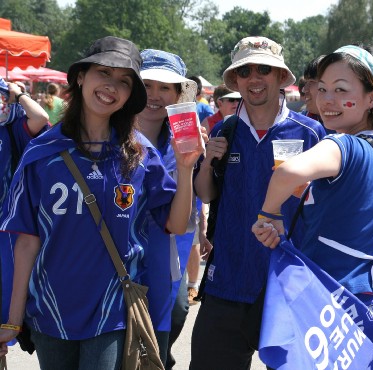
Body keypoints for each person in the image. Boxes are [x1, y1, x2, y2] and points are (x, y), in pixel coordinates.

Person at [0, 36, 203, 369]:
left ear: (129, 97)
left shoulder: (140, 156)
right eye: (103, 72)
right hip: (50, 310)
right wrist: (12, 317)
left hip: (112, 311)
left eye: (124, 81)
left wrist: (185, 168)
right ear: (81, 76)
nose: (112, 86)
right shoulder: (41, 155)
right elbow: (26, 242)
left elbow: (177, 225)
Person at [252, 43, 373, 369]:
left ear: (371, 97)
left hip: (328, 302)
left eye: (341, 90)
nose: (327, 100)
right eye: (321, 89)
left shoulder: (341, 144)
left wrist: (268, 214)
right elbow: (358, 211)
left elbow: (287, 173)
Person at [191, 36, 326, 369]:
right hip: (227, 283)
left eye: (264, 69)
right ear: (235, 80)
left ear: (281, 77)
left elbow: (327, 209)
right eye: (245, 70)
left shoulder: (311, 133)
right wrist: (208, 161)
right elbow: (206, 194)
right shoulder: (226, 129)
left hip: (289, 288)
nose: (254, 78)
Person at [136, 48, 206, 368]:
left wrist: (201, 161)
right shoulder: (106, 133)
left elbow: (200, 196)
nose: (155, 95)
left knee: (175, 312)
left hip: (168, 246)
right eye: (147, 85)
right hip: (115, 249)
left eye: (165, 87)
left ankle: (158, 355)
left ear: (178, 93)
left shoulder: (185, 136)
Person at [0, 77, 49, 337]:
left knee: (4, 305)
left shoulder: (12, 128)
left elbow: (40, 117)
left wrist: (18, 94)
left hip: (6, 230)